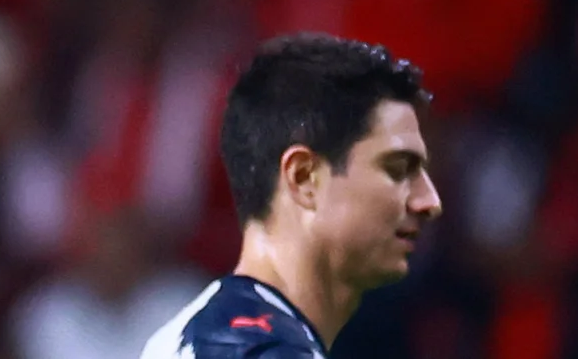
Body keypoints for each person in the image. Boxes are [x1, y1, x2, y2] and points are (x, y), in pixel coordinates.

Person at [140, 33, 443, 358]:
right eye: (397, 170)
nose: (429, 201)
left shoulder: (192, 332)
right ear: (303, 178)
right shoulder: (257, 351)